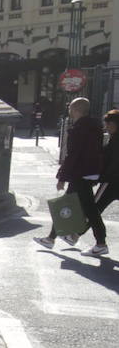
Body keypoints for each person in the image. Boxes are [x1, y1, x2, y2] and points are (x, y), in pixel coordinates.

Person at [37, 97, 107, 256]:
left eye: (70, 108)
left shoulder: (79, 129)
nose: (69, 110)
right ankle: (53, 238)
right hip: (91, 171)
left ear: (76, 110)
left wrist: (62, 177)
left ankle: (100, 242)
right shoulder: (95, 127)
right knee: (75, 205)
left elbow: (73, 155)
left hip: (80, 172)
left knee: (80, 208)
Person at [94, 109, 119, 221]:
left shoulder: (115, 140)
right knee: (96, 208)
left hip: (111, 181)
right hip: (113, 180)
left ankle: (75, 234)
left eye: (109, 124)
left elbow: (114, 162)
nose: (106, 127)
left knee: (95, 209)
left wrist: (103, 177)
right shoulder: (113, 138)